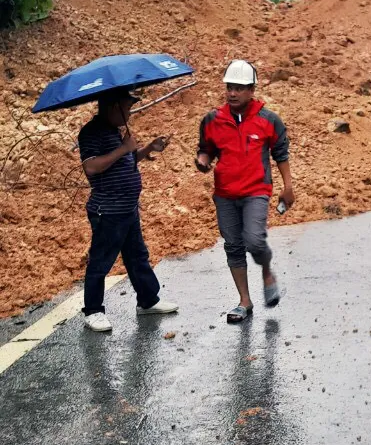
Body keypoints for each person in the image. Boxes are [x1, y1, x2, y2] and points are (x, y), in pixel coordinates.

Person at [196, 60, 294, 324]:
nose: (232, 93)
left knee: (254, 240)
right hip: (225, 193)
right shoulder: (212, 120)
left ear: (252, 90)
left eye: (239, 88)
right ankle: (244, 301)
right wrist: (203, 161)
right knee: (233, 245)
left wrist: (288, 187)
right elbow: (206, 149)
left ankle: (266, 271)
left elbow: (281, 154)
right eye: (229, 87)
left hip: (256, 191)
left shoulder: (268, 120)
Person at [78, 89, 179, 332]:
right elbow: (91, 167)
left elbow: (126, 162)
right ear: (114, 107)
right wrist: (123, 148)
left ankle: (148, 300)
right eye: (127, 108)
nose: (129, 113)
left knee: (137, 256)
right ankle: (93, 311)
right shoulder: (91, 132)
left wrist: (148, 148)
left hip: (127, 208)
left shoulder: (115, 131)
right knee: (101, 261)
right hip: (107, 210)